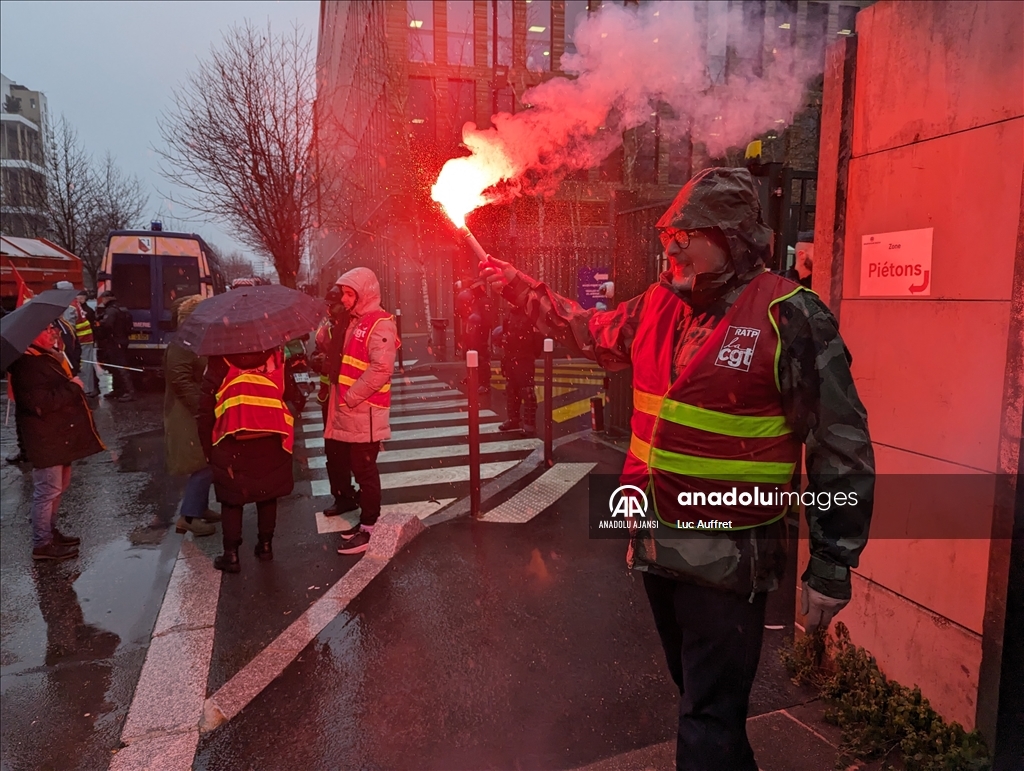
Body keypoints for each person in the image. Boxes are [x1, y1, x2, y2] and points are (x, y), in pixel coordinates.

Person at [481, 167, 874, 771]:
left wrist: (831, 561)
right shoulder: (658, 303)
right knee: (701, 704)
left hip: (730, 560)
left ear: (734, 238)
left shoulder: (791, 314)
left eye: (688, 232)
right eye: (669, 230)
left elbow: (839, 442)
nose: (672, 244)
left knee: (706, 723)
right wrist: (516, 286)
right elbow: (590, 331)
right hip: (658, 547)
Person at [8, 321, 106, 561]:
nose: (53, 333)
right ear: (31, 335)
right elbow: (42, 404)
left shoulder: (44, 355)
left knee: (59, 487)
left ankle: (50, 532)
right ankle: (42, 543)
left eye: (53, 329)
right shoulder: (26, 365)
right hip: (45, 437)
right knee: (47, 491)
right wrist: (73, 387)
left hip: (58, 435)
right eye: (47, 330)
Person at [321, 267, 398, 556]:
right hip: (351, 411)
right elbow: (331, 348)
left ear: (365, 293)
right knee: (357, 468)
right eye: (344, 292)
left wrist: (351, 397)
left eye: (351, 293)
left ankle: (370, 528)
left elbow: (381, 368)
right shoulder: (352, 321)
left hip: (364, 412)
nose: (346, 297)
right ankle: (366, 523)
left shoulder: (380, 324)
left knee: (365, 471)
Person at [198, 346, 295, 573]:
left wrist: (206, 447)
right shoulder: (274, 357)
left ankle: (231, 555)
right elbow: (290, 393)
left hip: (230, 437)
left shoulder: (219, 361)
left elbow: (204, 409)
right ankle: (265, 546)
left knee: (232, 497)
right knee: (267, 492)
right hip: (270, 435)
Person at [164, 295, 218, 538]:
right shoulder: (183, 343)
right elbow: (180, 379)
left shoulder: (193, 340)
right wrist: (202, 406)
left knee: (206, 459)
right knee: (201, 463)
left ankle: (200, 507)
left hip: (192, 410)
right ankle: (188, 517)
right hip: (185, 414)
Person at [498, 305, 538, 435]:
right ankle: (513, 419)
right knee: (511, 390)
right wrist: (504, 358)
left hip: (524, 358)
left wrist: (530, 353)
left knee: (527, 391)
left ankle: (529, 424)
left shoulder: (530, 313)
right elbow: (505, 335)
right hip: (511, 357)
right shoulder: (509, 314)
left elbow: (538, 337)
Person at [95, 291, 135, 401]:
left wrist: (98, 326)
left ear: (107, 298)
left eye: (103, 298)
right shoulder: (121, 308)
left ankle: (128, 391)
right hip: (121, 340)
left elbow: (107, 325)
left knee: (120, 366)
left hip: (114, 341)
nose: (102, 300)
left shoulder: (111, 310)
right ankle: (118, 390)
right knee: (115, 366)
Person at [63, 288, 99, 398]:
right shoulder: (74, 303)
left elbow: (70, 326)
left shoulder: (69, 305)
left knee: (83, 366)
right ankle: (88, 388)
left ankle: (85, 390)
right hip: (84, 338)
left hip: (81, 339)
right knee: (86, 365)